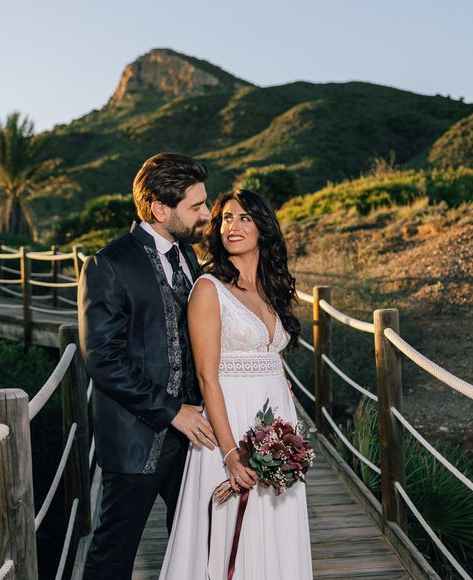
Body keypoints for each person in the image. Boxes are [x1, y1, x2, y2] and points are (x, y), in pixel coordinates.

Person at [78, 152, 219, 580]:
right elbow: (102, 358)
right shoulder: (109, 264)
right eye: (196, 207)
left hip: (195, 440)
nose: (207, 215)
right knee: (112, 557)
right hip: (136, 441)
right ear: (159, 209)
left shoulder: (187, 257)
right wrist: (172, 410)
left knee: (199, 545)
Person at [159, 189, 313, 580]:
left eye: (244, 217)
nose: (233, 225)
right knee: (230, 536)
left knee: (277, 525)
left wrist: (283, 391)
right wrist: (229, 453)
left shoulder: (273, 289)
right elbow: (207, 376)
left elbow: (269, 352)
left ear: (263, 227)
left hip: (276, 424)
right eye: (226, 218)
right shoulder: (208, 289)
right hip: (231, 423)